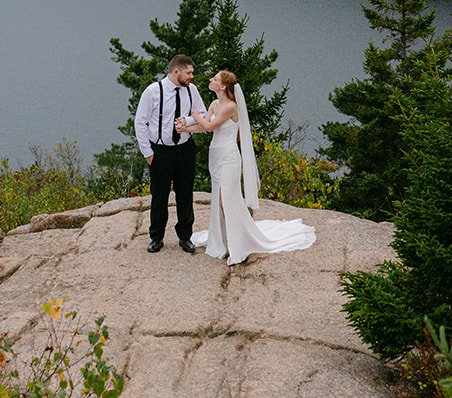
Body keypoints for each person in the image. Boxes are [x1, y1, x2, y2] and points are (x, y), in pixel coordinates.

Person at [183, 70, 316, 265]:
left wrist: (193, 113)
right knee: (219, 199)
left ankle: (238, 245)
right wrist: (185, 128)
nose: (211, 80)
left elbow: (210, 126)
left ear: (222, 86)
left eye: (215, 79)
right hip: (216, 155)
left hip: (229, 157)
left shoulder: (230, 106)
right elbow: (204, 127)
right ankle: (224, 242)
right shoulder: (214, 104)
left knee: (226, 199)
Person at [134, 54, 207, 253]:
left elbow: (202, 113)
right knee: (159, 196)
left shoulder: (192, 90)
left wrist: (187, 120)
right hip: (160, 152)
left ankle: (185, 236)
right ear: (177, 71)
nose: (191, 76)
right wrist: (148, 153)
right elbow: (140, 121)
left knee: (185, 195)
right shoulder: (153, 91)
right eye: (189, 72)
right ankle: (156, 237)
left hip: (185, 149)